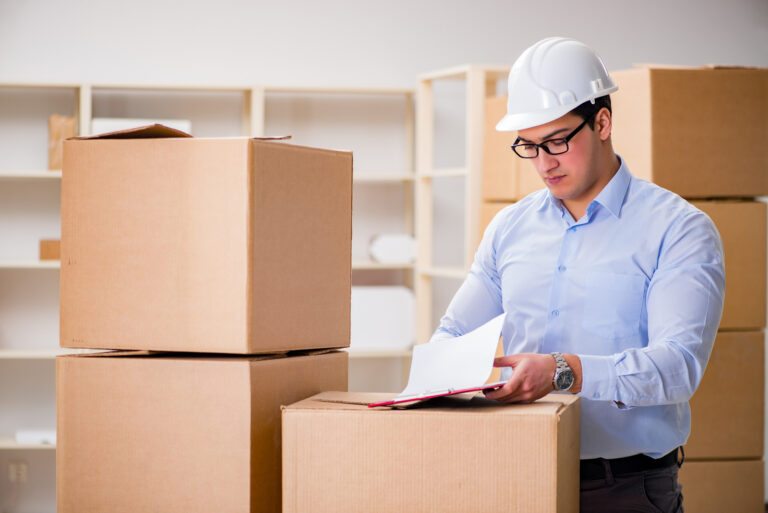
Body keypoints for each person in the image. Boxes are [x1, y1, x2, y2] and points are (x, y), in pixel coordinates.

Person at [429, 37, 725, 513]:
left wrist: (563, 372)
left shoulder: (678, 229)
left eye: (558, 141)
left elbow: (678, 367)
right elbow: (453, 334)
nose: (544, 162)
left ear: (603, 122)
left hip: (625, 489)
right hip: (514, 473)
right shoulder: (509, 228)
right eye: (529, 145)